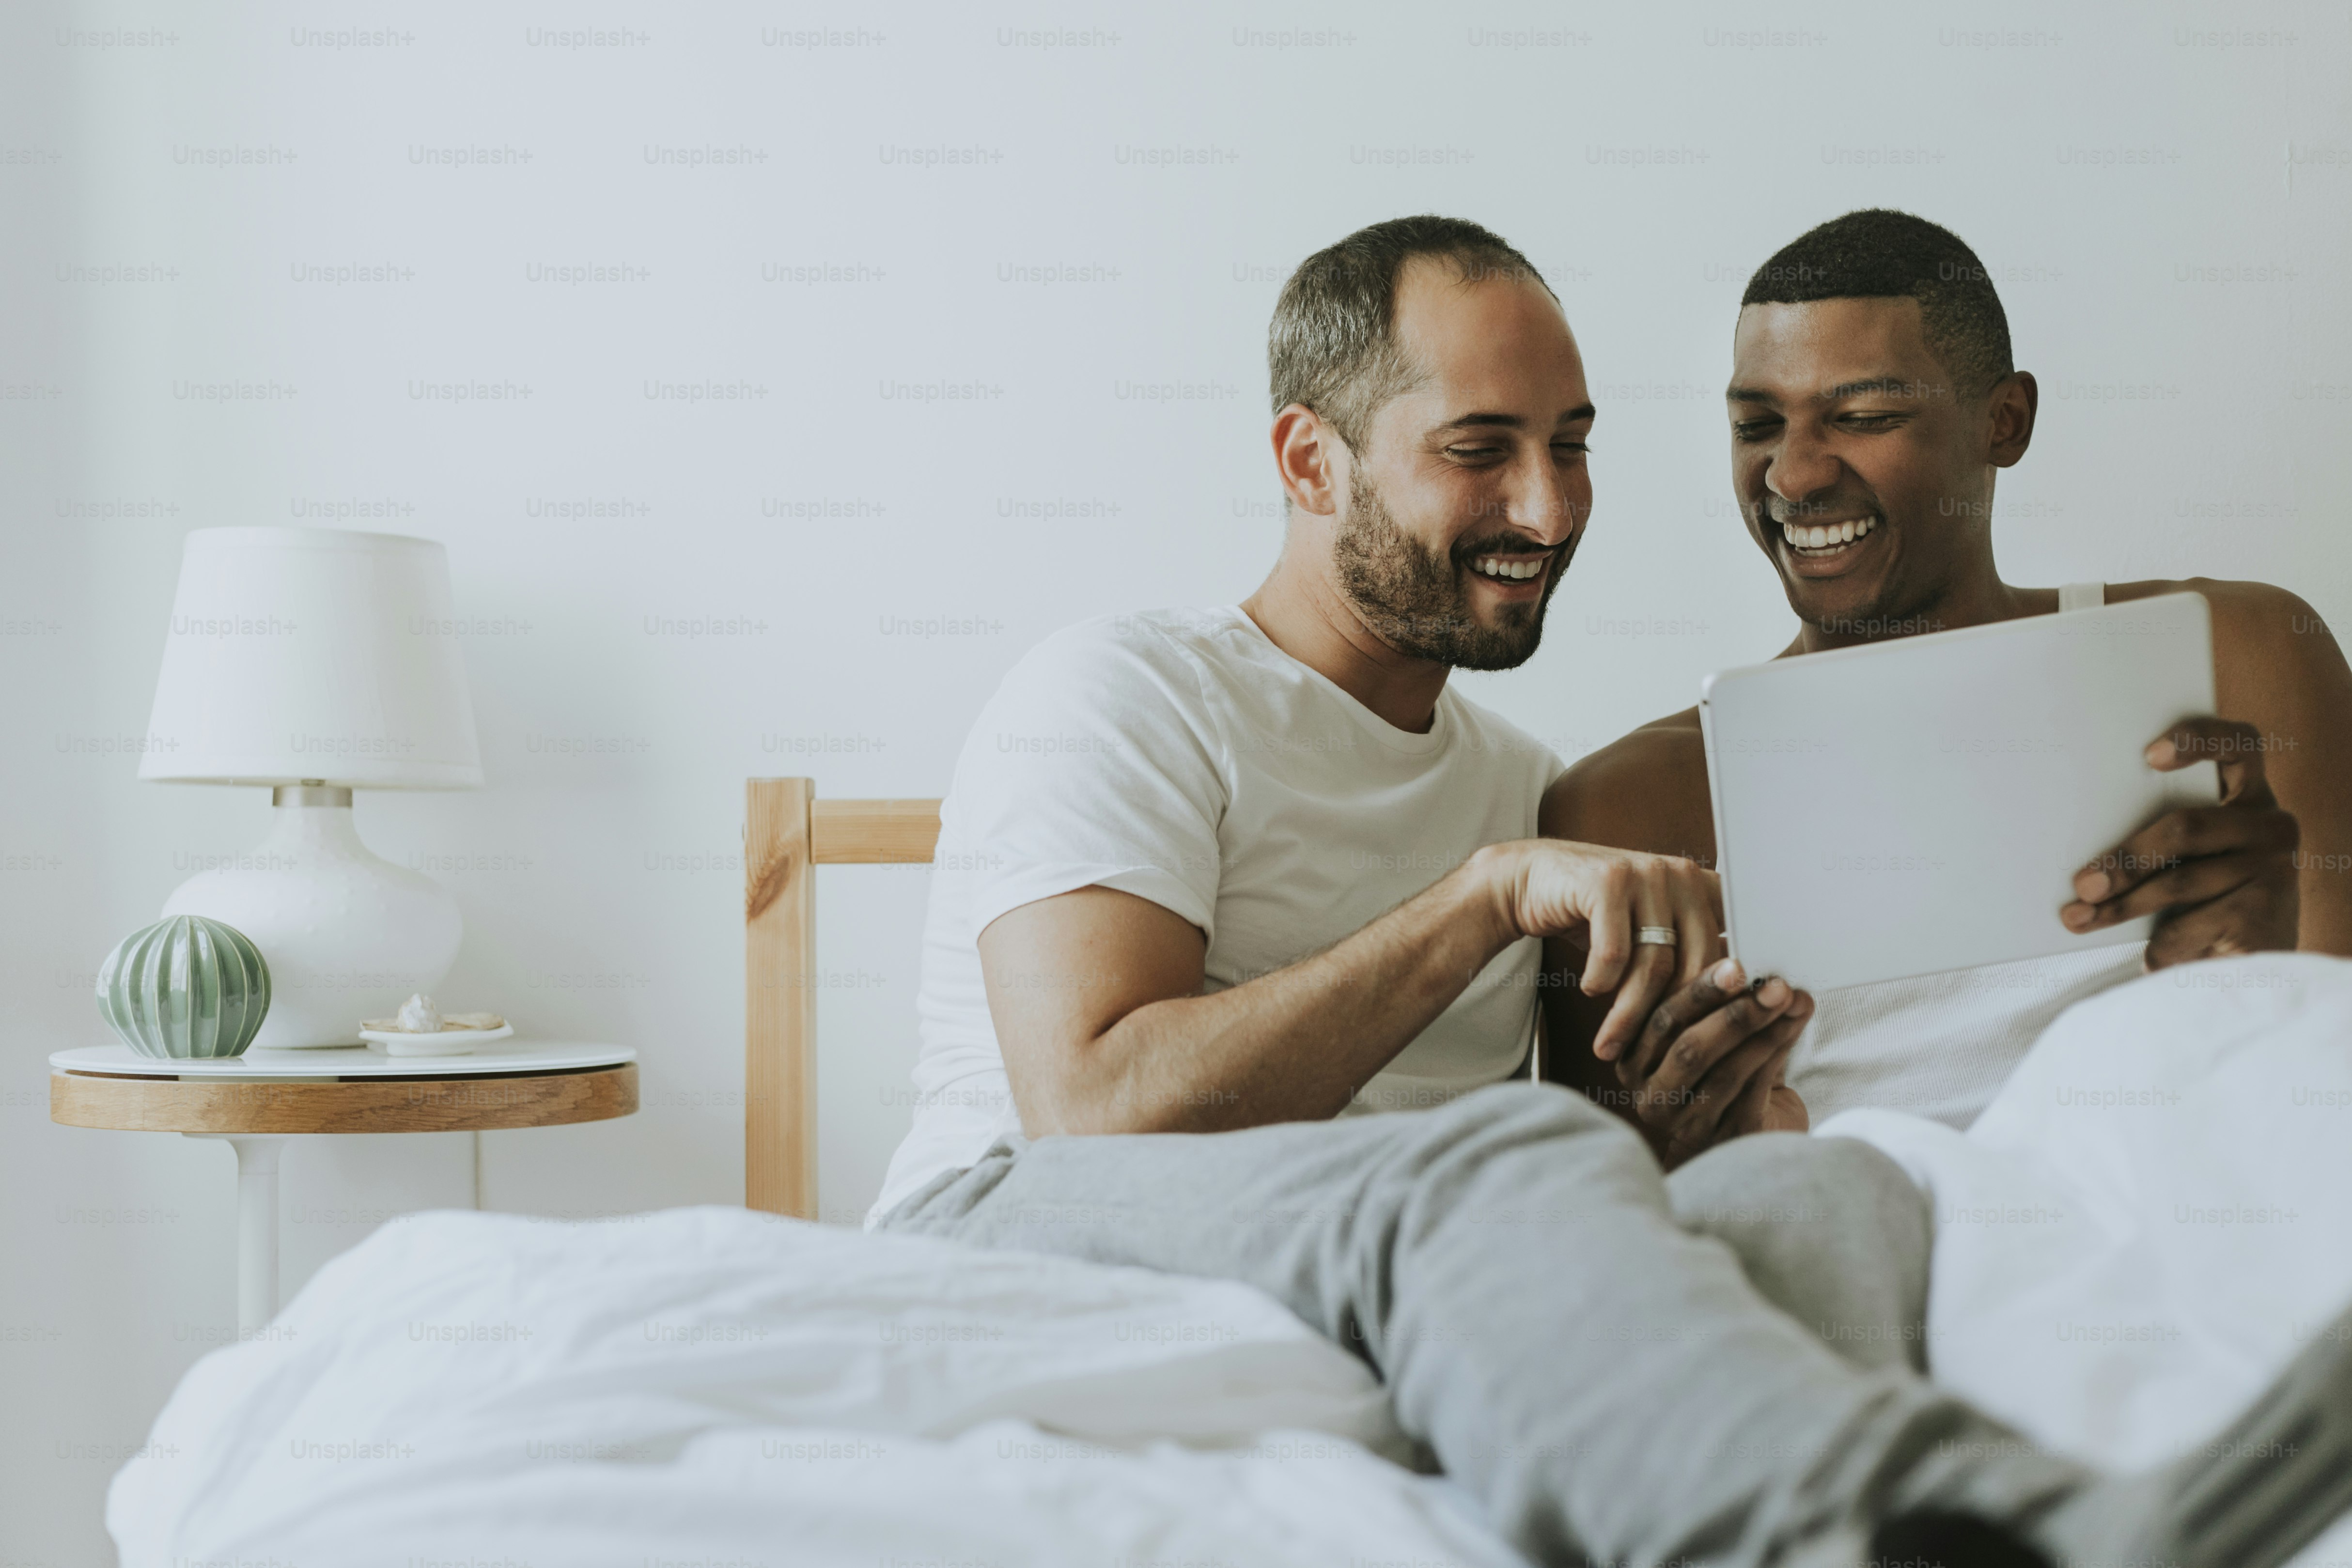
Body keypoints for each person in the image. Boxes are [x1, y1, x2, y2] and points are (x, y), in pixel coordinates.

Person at [871, 215, 2352, 1568]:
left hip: (1371, 1272)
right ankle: (1955, 1529)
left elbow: (1601, 1162)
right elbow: (1094, 1111)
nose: (1549, 502)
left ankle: (1935, 1511)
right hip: (1037, 1215)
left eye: (1571, 442)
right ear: (1310, 461)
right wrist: (1487, 894)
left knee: (1819, 1189)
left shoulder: (1524, 777)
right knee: (1506, 1161)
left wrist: (1693, 1121)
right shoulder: (1130, 689)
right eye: (1480, 447)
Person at [1543, 208, 2352, 1142]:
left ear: (2003, 423)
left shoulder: (2242, 656)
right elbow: (1590, 1210)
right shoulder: (1630, 807)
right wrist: (1692, 1148)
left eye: (1863, 417)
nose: (1793, 475)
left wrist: (2259, 971)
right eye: (1757, 424)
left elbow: (2325, 1114)